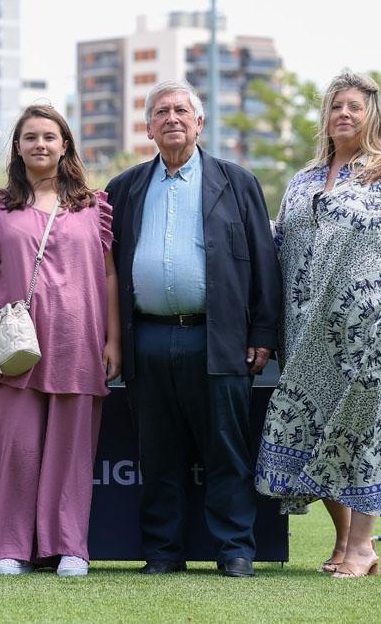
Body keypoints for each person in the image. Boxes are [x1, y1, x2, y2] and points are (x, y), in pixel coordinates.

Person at [254, 71, 381, 579]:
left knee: (368, 434)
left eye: (355, 107)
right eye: (337, 105)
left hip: (380, 335)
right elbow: (276, 246)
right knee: (313, 434)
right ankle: (346, 542)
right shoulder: (302, 181)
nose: (345, 114)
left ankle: (361, 546)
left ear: (371, 115)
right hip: (307, 338)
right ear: (325, 116)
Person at [105, 80, 281, 578]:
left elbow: (264, 264)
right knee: (158, 453)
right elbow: (106, 267)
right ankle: (163, 552)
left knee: (226, 449)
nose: (172, 118)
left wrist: (263, 334)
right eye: (161, 112)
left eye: (182, 110)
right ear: (148, 128)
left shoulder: (237, 182)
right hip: (148, 336)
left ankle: (235, 550)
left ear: (200, 123)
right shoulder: (125, 187)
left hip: (219, 337)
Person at [0, 105, 119, 578]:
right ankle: (9, 548)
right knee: (18, 449)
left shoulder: (94, 205)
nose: (40, 144)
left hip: (80, 344)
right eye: (30, 137)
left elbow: (110, 275)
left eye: (49, 137)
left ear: (65, 145)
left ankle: (67, 547)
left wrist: (113, 340)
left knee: (71, 455)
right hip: (17, 347)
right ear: (17, 146)